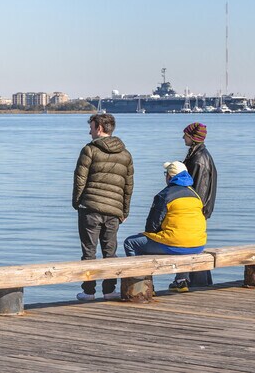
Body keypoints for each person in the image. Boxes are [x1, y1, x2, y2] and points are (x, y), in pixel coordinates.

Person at [73, 113, 134, 301]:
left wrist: (77, 202)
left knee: (89, 252)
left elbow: (80, 179)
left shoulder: (89, 150)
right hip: (114, 211)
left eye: (91, 128)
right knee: (110, 251)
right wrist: (124, 211)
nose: (89, 132)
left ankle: (89, 292)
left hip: (90, 208)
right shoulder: (125, 154)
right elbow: (128, 185)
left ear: (99, 128)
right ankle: (109, 290)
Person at [123, 161, 207, 293]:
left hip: (175, 244)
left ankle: (142, 287)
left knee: (131, 243)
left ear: (170, 176)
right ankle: (181, 281)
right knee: (181, 238)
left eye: (165, 174)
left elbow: (152, 225)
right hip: (198, 244)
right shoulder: (195, 195)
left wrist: (148, 234)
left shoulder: (165, 195)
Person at [182, 122, 217, 286]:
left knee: (191, 245)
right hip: (200, 210)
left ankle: (195, 282)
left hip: (196, 211)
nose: (183, 137)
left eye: (186, 135)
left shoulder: (198, 159)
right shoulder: (198, 154)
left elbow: (198, 189)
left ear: (193, 137)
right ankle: (198, 281)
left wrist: (191, 209)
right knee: (194, 246)